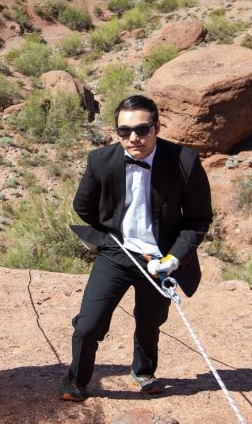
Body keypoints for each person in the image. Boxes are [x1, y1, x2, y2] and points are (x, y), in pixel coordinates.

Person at [59, 95, 213, 401]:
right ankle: (76, 379)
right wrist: (110, 234)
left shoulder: (184, 162)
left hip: (161, 258)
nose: (133, 138)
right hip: (117, 252)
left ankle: (143, 372)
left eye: (142, 129)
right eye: (124, 131)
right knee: (88, 325)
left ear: (156, 127)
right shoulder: (101, 161)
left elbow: (198, 219)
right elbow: (83, 206)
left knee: (150, 321)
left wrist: (174, 259)